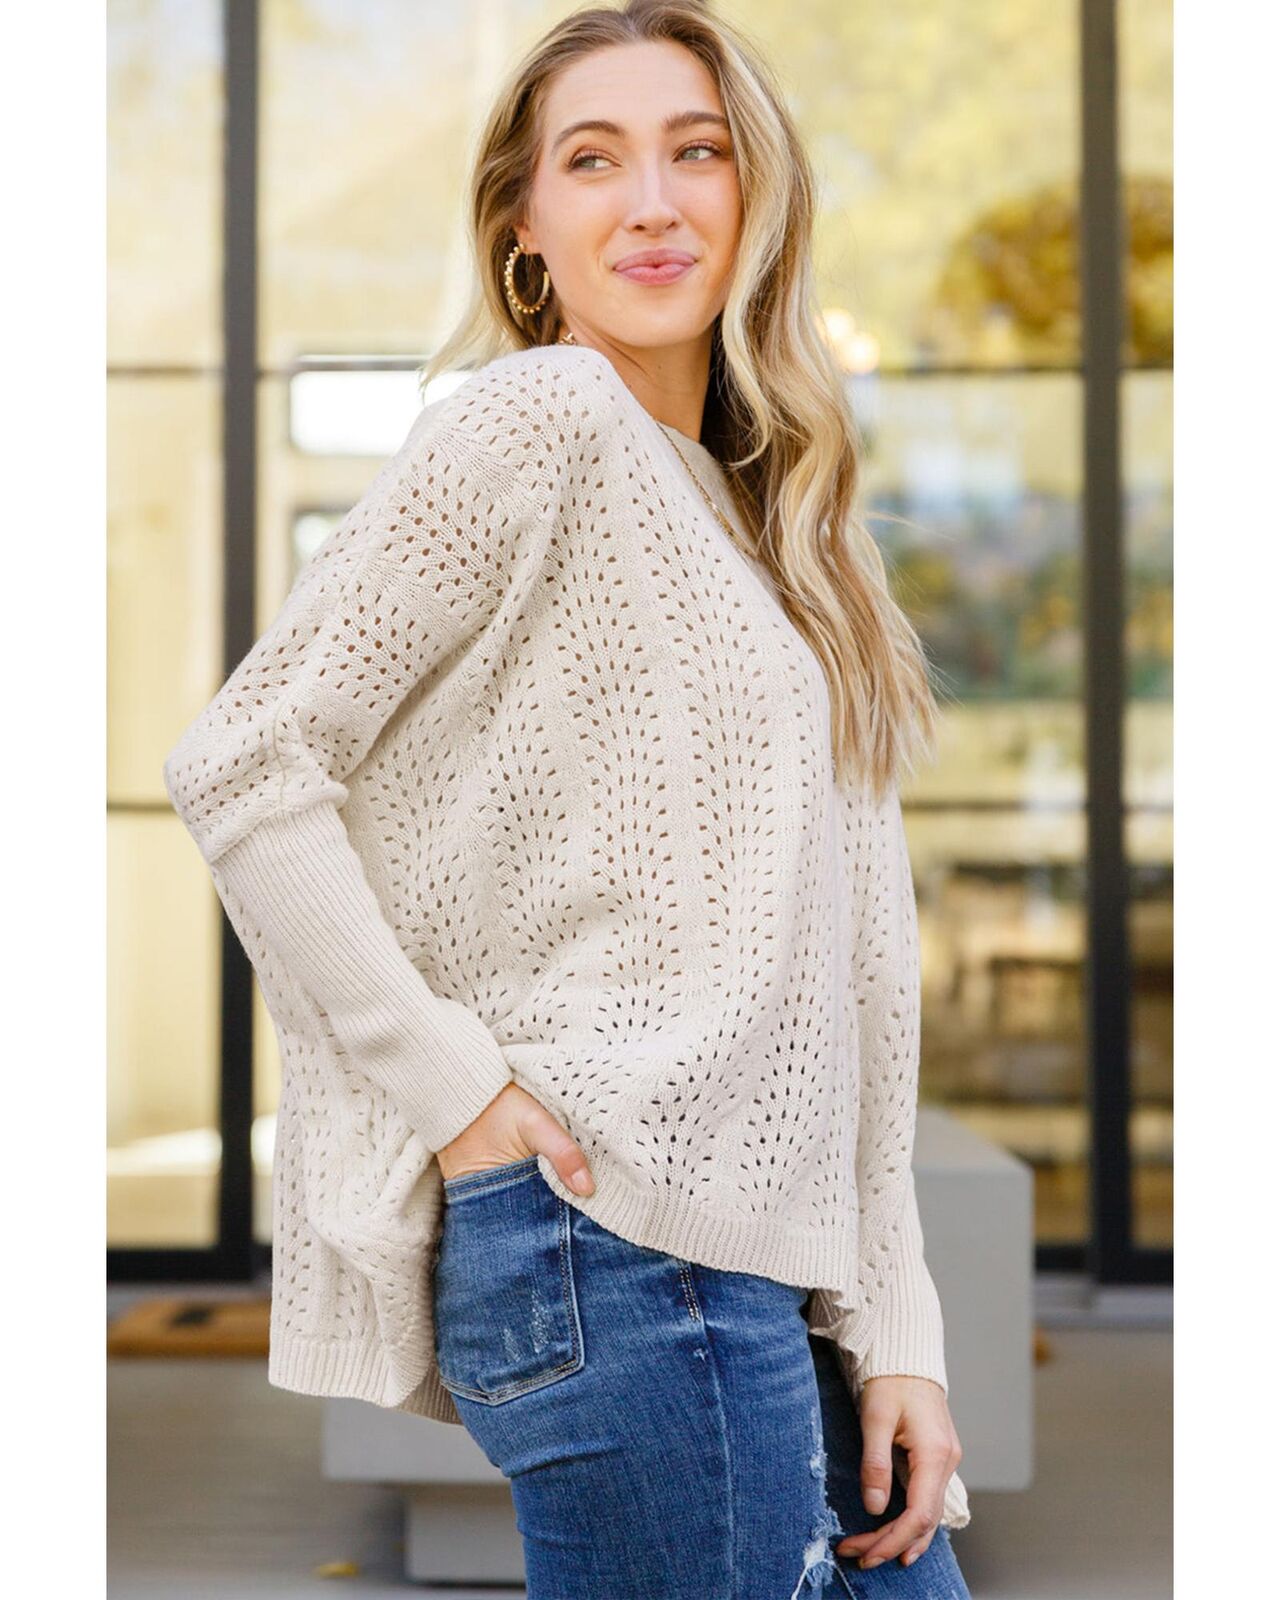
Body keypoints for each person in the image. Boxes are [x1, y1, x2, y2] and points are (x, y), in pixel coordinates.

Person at [163, 3, 974, 1594]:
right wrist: (456, 1094)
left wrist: (901, 1330)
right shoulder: (538, 424)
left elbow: (858, 977)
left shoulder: (788, 529)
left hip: (765, 1274)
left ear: (758, 196)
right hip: (623, 1248)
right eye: (593, 161)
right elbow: (245, 761)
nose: (652, 203)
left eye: (697, 152)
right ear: (524, 227)